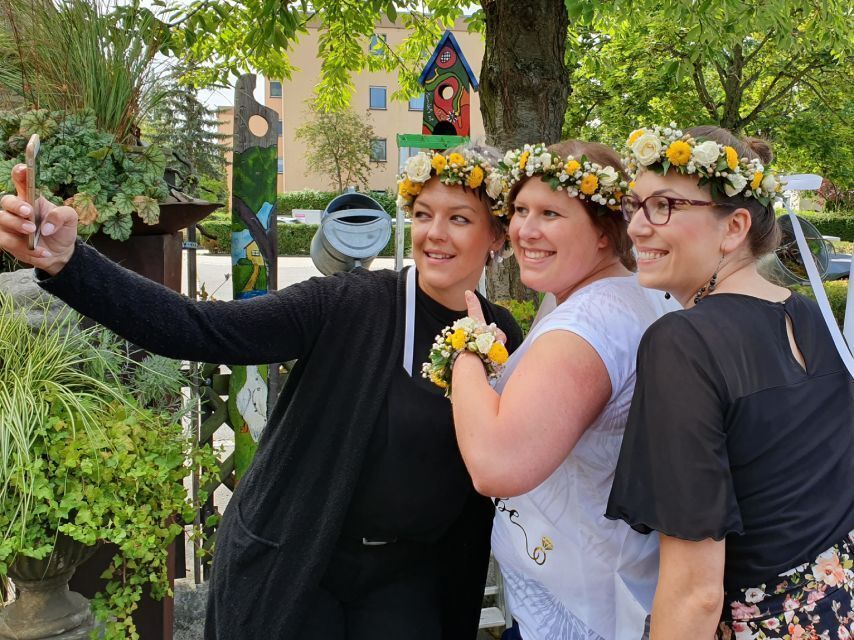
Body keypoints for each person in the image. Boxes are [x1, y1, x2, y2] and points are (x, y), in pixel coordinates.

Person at [0, 144, 523, 640]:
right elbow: (198, 327)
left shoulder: (505, 338)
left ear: (496, 236)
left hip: (409, 580)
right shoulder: (349, 303)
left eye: (459, 218)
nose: (435, 233)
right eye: (424, 213)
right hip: (302, 562)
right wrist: (69, 262)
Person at [605, 124, 854, 639]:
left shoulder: (682, 342)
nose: (635, 227)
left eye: (665, 206)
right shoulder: (808, 315)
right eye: (636, 205)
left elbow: (695, 593)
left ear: (734, 226)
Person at [425, 140, 675, 640]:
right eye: (519, 210)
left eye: (551, 214)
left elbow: (497, 465)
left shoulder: (589, 321)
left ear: (605, 233)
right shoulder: (632, 296)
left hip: (581, 600)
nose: (525, 230)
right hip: (602, 581)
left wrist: (466, 350)